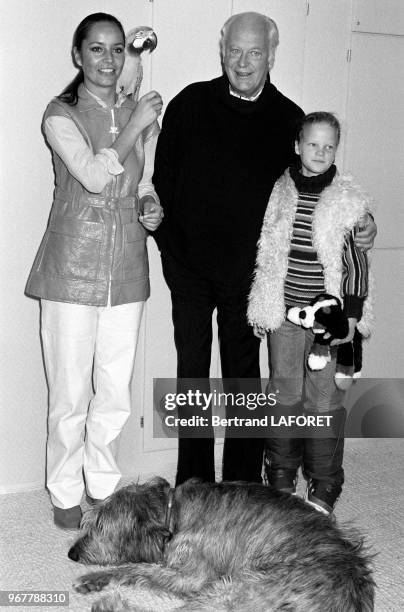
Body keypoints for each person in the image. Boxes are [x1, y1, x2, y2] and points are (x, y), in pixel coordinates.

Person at [153, 12, 376, 486]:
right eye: (235, 50)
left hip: (251, 278)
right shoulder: (189, 104)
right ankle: (193, 485)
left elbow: (322, 180)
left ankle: (242, 485)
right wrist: (167, 246)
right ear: (222, 50)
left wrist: (364, 219)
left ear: (272, 54)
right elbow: (162, 183)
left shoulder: (288, 119)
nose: (244, 61)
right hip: (189, 270)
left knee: (244, 381)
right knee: (191, 375)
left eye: (255, 51)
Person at [25, 13, 163, 529]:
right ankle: (64, 488)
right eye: (97, 49)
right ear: (78, 55)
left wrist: (151, 205)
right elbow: (90, 176)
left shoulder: (134, 112)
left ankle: (102, 485)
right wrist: (132, 126)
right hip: (71, 265)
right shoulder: (59, 114)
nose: (108, 60)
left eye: (115, 50)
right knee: (69, 391)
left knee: (115, 387)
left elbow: (136, 180)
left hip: (127, 262)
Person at [248, 112, 374, 514]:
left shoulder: (347, 200)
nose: (321, 153)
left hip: (328, 321)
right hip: (283, 315)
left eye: (329, 146)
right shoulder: (278, 191)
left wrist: (350, 317)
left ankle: (324, 482)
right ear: (298, 146)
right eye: (313, 144)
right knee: (284, 394)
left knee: (322, 400)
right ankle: (281, 473)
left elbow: (357, 262)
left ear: (336, 149)